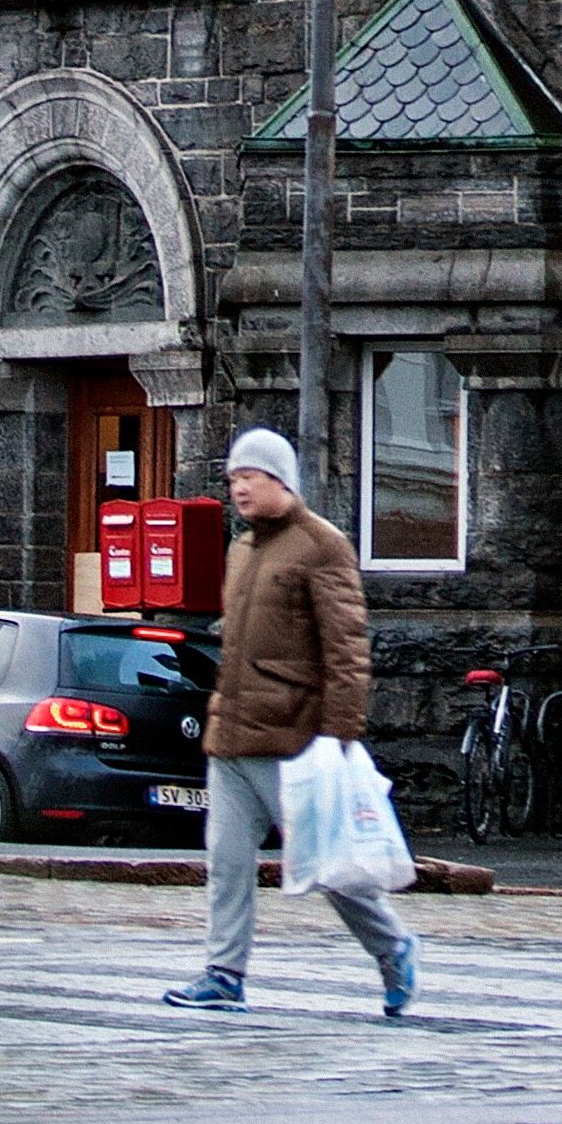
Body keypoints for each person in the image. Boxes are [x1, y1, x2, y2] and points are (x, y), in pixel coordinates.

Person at [164, 425, 418, 1020]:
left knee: (332, 867)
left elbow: (347, 648)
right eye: (232, 479)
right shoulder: (242, 548)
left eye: (249, 476)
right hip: (232, 735)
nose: (238, 488)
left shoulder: (322, 545)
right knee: (226, 863)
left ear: (281, 479)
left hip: (295, 742)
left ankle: (393, 948)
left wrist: (340, 735)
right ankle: (224, 975)